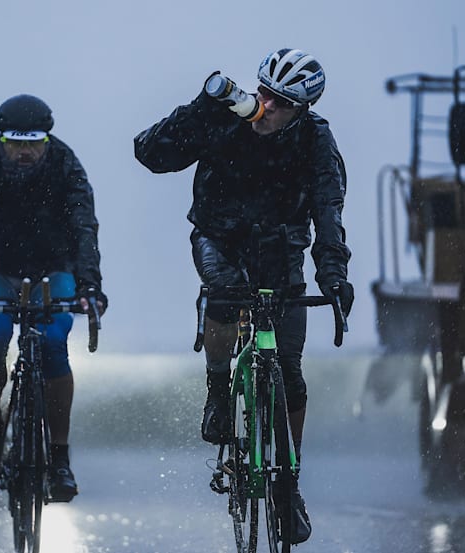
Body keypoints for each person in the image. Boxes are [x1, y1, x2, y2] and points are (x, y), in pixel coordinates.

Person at [133, 49, 353, 543]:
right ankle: (217, 390)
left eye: (280, 103)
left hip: (282, 248)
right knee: (226, 296)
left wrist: (334, 275)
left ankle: (288, 488)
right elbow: (150, 154)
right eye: (264, 94)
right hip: (219, 236)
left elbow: (328, 210)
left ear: (302, 110)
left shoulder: (317, 141)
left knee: (290, 376)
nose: (266, 107)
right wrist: (201, 106)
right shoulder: (224, 119)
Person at [0, 93, 107, 502]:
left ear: (47, 141)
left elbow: (83, 224)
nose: (24, 153)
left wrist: (90, 284)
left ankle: (59, 457)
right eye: (14, 144)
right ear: (1, 141)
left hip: (52, 270)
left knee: (54, 344)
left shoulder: (65, 162)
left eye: (32, 144)